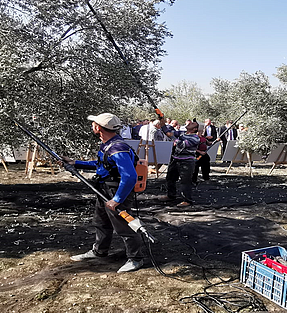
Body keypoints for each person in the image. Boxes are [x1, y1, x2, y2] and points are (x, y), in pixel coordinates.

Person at [63, 113, 144, 273]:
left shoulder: (118, 148)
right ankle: (99, 251)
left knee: (124, 225)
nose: (92, 125)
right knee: (101, 222)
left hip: (116, 190)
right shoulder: (108, 144)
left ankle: (136, 259)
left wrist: (116, 200)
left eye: (93, 123)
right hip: (104, 188)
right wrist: (76, 163)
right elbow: (102, 165)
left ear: (98, 127)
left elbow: (129, 176)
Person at [159, 122, 200, 207]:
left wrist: (173, 137)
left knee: (185, 181)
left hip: (187, 162)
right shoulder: (181, 133)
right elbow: (167, 132)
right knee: (170, 178)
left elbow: (181, 144)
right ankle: (171, 195)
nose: (189, 123)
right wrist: (162, 121)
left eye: (192, 124)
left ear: (195, 129)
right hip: (175, 159)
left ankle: (187, 200)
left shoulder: (195, 138)